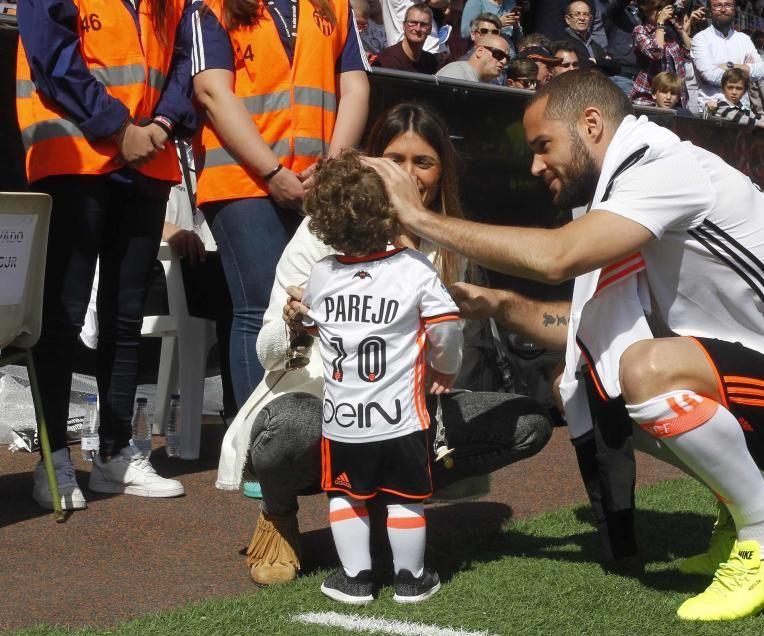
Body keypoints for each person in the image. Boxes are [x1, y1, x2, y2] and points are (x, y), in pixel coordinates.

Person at [365, 70, 764, 621]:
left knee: (644, 370)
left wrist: (417, 217)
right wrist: (498, 305)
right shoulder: (631, 182)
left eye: (543, 146)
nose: (535, 166)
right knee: (591, 385)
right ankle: (751, 508)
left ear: (590, 125)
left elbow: (559, 256)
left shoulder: (664, 167)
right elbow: (581, 326)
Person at [221, 102, 552, 586]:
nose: (408, 175)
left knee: (527, 421)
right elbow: (268, 355)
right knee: (292, 423)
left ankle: (392, 498)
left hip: (406, 410)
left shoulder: (444, 240)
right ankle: (278, 515)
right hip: (326, 404)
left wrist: (432, 268)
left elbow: (449, 361)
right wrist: (294, 324)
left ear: (442, 173)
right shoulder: (320, 234)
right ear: (371, 167)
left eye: (424, 162)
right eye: (395, 160)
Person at [16, 0, 196, 508]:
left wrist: (159, 125)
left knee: (126, 314)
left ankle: (115, 453)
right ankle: (52, 459)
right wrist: (119, 128)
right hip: (75, 152)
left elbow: (184, 60)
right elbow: (51, 56)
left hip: (148, 157)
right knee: (63, 313)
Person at [189, 0, 370, 413]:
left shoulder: (333, 6)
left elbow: (356, 87)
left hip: (317, 182)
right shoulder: (211, 7)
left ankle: (307, 437)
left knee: (321, 304)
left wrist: (331, 168)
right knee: (259, 306)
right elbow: (211, 92)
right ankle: (257, 446)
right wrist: (272, 173)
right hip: (241, 179)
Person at [300, 152, 462, 604]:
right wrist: (445, 368)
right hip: (401, 418)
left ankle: (356, 578)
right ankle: (411, 579)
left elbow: (318, 326)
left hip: (344, 419)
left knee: (345, 496)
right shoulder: (414, 268)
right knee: (406, 498)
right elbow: (447, 326)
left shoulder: (322, 274)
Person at [690, 0, 763, 111]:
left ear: (734, 10)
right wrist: (745, 68)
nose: (723, 9)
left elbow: (762, 71)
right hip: (713, 111)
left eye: (728, 5)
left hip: (743, 111)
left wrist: (726, 66)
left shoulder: (744, 39)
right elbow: (710, 75)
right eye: (718, 5)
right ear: (710, 11)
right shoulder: (700, 39)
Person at [629, 0, 703, 108]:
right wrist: (660, 23)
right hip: (648, 99)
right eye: (659, 9)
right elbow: (656, 53)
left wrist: (681, 30)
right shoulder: (640, 31)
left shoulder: (670, 31)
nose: (663, 12)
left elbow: (690, 53)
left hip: (674, 98)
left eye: (663, 8)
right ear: (646, 11)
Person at [704, 68, 764, 136]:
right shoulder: (720, 105)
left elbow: (756, 117)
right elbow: (739, 118)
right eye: (730, 87)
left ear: (745, 91)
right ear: (723, 89)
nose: (734, 92)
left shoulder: (741, 108)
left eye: (738, 88)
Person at [376, 2, 440, 74]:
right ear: (404, 25)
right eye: (413, 23)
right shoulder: (388, 59)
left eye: (423, 24)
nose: (418, 29)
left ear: (430, 29)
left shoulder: (430, 61)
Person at [562, 0, 619, 76]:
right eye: (577, 14)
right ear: (568, 19)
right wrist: (602, 62)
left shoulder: (594, 44)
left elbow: (616, 67)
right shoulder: (564, 42)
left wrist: (596, 62)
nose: (582, 18)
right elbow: (582, 66)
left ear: (591, 19)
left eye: (586, 14)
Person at [436, 31, 508, 82]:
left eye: (507, 58)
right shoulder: (456, 73)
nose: (504, 61)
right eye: (499, 54)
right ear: (480, 51)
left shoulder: (491, 83)